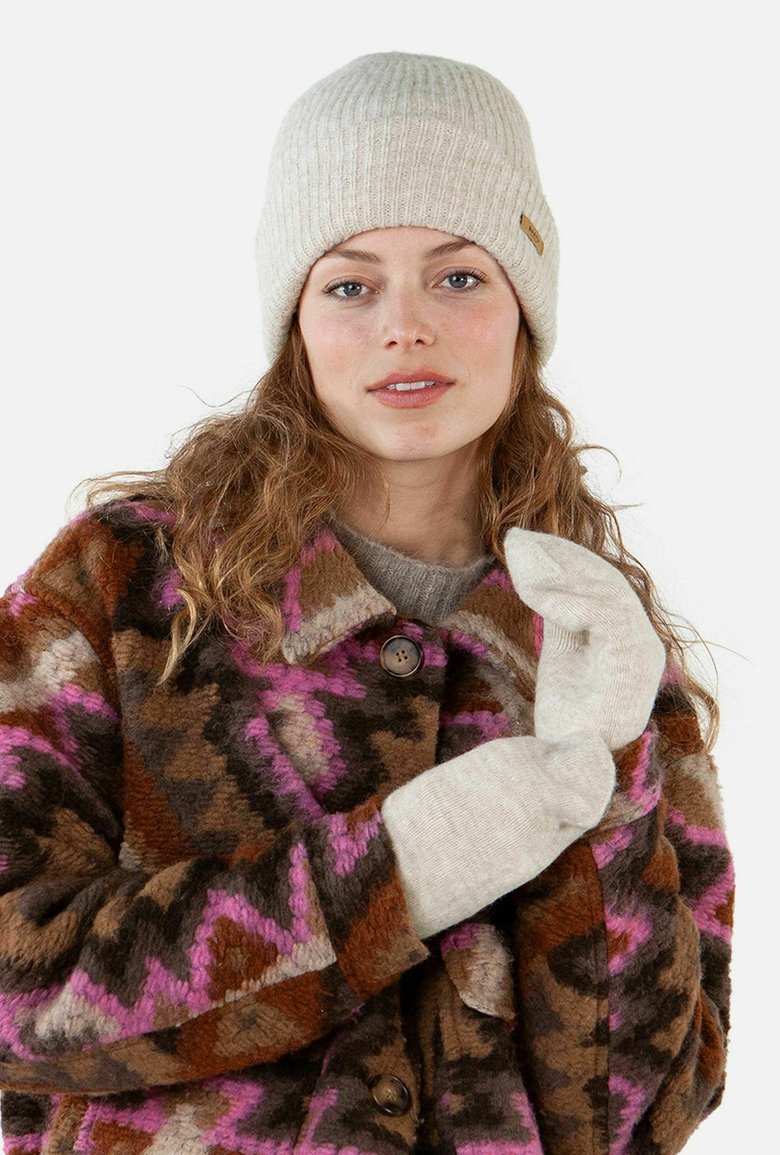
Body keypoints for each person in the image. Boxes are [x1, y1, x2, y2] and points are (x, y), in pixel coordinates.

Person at [0, 52, 733, 1155]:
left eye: (459, 277)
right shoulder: (123, 590)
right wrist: (389, 875)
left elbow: (640, 1115)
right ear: (294, 319)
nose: (405, 326)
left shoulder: (592, 642)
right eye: (350, 285)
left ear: (524, 309)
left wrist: (614, 797)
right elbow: (14, 997)